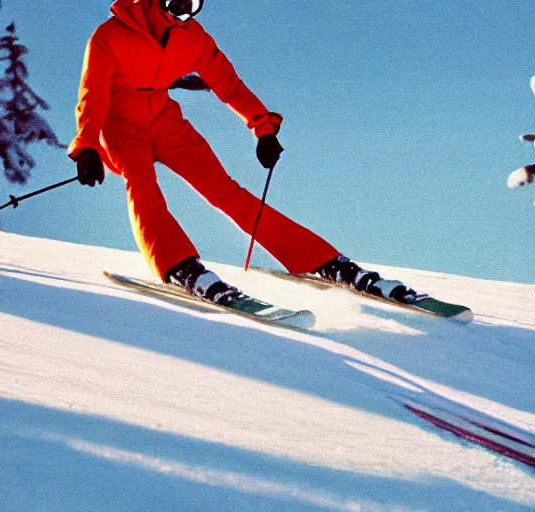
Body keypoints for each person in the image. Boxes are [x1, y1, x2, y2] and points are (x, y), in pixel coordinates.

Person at [69, 0, 418, 306]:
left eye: (192, 5)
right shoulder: (109, 36)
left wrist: (263, 127)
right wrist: (86, 145)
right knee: (142, 184)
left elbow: (226, 82)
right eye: (177, 2)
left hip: (164, 120)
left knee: (226, 191)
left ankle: (324, 260)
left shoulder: (192, 37)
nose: (183, 12)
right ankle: (179, 266)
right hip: (119, 125)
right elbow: (93, 95)